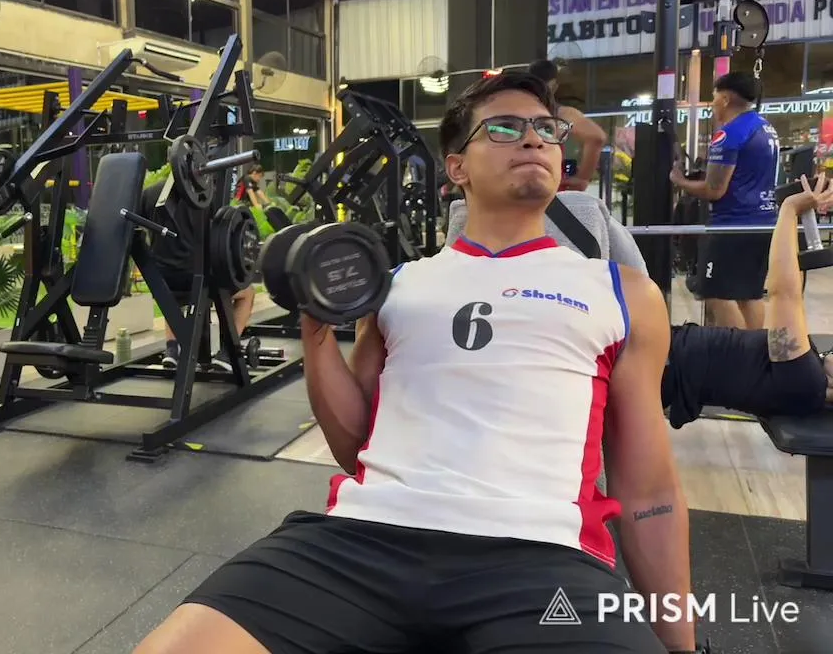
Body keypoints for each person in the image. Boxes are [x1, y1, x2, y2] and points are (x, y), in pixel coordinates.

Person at [134, 72, 697, 654]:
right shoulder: (395, 284)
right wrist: (315, 325)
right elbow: (356, 446)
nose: (533, 139)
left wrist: (680, 643)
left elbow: (648, 490)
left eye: (545, 129)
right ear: (457, 168)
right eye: (504, 128)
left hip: (542, 556)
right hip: (365, 540)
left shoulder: (622, 291)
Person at [664, 172, 833, 426]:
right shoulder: (810, 380)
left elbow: (785, 294)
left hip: (666, 360)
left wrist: (790, 209)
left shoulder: (805, 379)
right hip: (670, 353)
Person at [671, 72, 779, 330]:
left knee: (714, 293)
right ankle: (754, 348)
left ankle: (736, 349)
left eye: (714, 98)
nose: (713, 105)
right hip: (763, 222)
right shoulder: (764, 127)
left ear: (726, 99)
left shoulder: (729, 134)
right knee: (749, 294)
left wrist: (680, 181)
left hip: (732, 226)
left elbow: (714, 190)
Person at [140, 179, 256, 371]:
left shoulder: (150, 194)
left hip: (163, 280)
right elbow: (221, 236)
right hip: (198, 279)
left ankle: (172, 350)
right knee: (247, 293)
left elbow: (135, 225)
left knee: (172, 297)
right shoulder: (206, 194)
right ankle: (227, 353)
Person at [528, 59, 609, 192]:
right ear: (553, 84)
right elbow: (596, 137)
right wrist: (582, 178)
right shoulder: (559, 114)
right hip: (549, 191)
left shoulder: (512, 111)